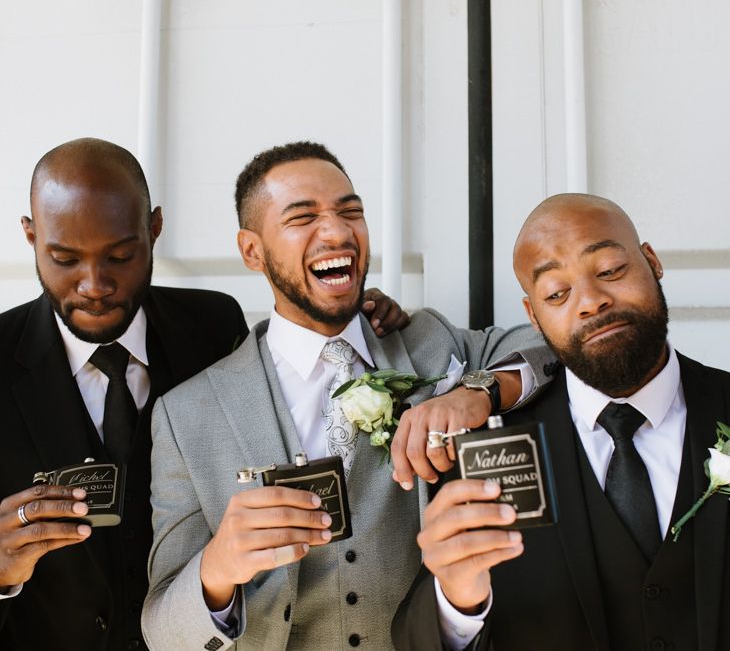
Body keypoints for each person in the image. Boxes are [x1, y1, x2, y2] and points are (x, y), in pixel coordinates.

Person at [140, 141, 555, 650]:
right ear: (252, 251)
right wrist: (218, 567)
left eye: (350, 211)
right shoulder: (185, 416)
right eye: (303, 216)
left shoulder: (430, 342)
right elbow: (161, 632)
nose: (337, 232)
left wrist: (479, 392)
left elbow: (553, 344)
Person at [0, 137, 406, 651]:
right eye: (64, 258)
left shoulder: (214, 324)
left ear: (154, 230)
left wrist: (351, 310)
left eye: (121, 256)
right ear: (30, 236)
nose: (94, 284)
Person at [392, 194, 730, 650]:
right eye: (557, 293)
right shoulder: (479, 449)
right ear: (533, 315)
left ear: (651, 261)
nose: (591, 302)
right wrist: (458, 600)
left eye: (610, 269)